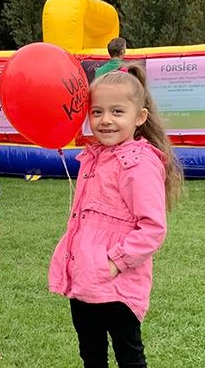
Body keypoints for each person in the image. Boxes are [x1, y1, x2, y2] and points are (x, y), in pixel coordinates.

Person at [48, 63, 183, 367]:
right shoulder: (93, 157)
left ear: (140, 118)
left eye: (117, 112)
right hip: (83, 279)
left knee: (128, 354)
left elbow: (152, 228)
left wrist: (115, 263)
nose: (105, 120)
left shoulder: (139, 163)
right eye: (97, 112)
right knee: (91, 353)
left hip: (118, 283)